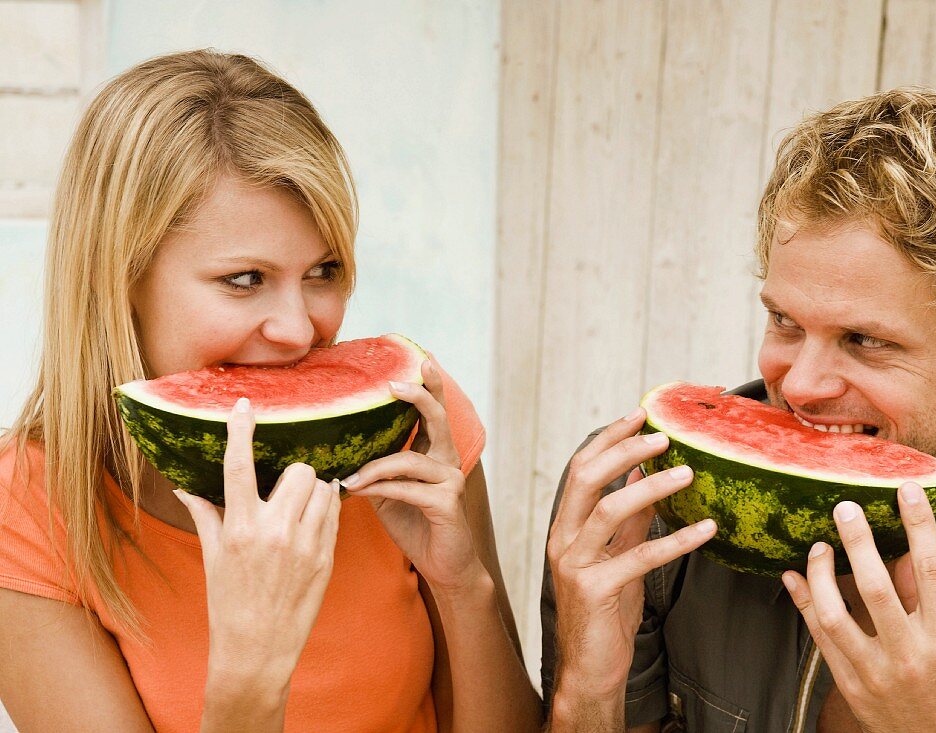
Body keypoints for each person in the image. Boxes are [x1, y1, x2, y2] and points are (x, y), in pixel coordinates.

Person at [0, 50, 541, 733]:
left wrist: (466, 588)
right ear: (119, 279)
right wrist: (251, 661)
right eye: (245, 278)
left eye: (324, 269)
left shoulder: (408, 419)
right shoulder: (27, 514)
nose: (298, 327)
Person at [541, 88, 936, 732]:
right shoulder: (642, 500)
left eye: (866, 340)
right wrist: (588, 688)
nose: (801, 384)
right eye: (783, 320)